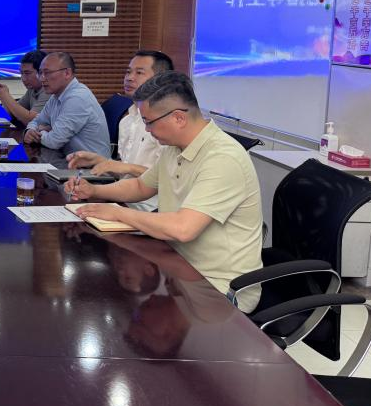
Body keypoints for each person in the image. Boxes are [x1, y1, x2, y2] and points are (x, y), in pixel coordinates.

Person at [65, 71, 263, 312]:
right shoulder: (175, 147)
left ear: (178, 118)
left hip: (219, 289)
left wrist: (118, 213)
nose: (146, 129)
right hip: (177, 265)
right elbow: (141, 186)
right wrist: (94, 190)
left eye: (149, 121)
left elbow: (183, 228)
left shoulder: (223, 158)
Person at [66, 50, 175, 210]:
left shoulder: (168, 124)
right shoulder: (127, 120)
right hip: (122, 200)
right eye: (128, 72)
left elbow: (171, 179)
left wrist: (126, 167)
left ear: (161, 80)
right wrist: (100, 161)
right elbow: (125, 174)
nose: (129, 78)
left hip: (151, 210)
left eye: (139, 73)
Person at [23, 52, 111, 158]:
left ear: (67, 73)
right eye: (40, 73)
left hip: (92, 166)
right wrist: (30, 130)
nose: (42, 78)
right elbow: (37, 121)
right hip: (67, 160)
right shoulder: (56, 96)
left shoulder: (78, 98)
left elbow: (54, 141)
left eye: (47, 73)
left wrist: (39, 132)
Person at [0, 50, 50, 126]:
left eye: (27, 73)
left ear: (41, 72)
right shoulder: (32, 89)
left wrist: (6, 96)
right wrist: (3, 98)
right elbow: (13, 113)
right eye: (21, 73)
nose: (23, 79)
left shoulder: (48, 90)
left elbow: (31, 121)